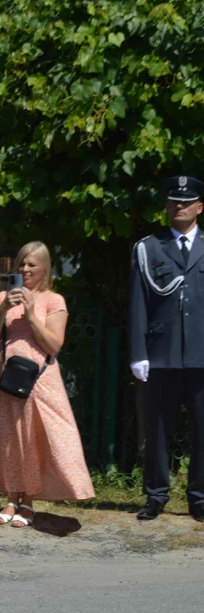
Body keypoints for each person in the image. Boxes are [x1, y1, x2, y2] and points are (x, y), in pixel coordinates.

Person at [0, 242, 94, 524]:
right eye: (21, 263)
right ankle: (12, 500)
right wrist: (2, 310)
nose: (24, 269)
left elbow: (54, 344)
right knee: (10, 437)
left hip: (39, 379)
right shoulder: (3, 295)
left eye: (31, 264)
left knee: (35, 437)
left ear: (44, 268)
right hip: (5, 376)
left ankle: (29, 502)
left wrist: (30, 314)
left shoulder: (54, 300)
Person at [130, 176, 204, 521]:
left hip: (201, 355)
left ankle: (199, 497)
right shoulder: (150, 248)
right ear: (166, 207)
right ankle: (156, 495)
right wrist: (138, 352)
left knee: (202, 429)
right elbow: (138, 303)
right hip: (161, 353)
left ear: (199, 207)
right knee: (157, 429)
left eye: (187, 202)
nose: (180, 206)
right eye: (174, 201)